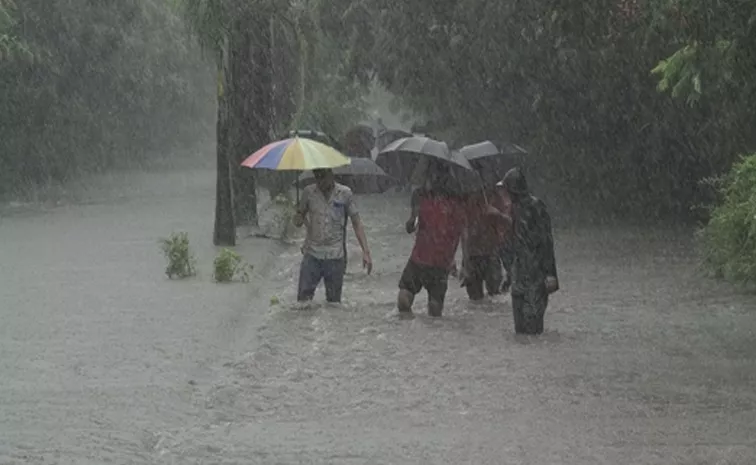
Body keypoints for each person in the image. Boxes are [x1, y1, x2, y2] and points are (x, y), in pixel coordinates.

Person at [398, 160, 466, 317]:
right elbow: (411, 223)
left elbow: (461, 231)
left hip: (441, 263)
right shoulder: (420, 195)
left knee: (435, 313)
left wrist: (462, 261)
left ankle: (431, 339)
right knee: (403, 301)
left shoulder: (455, 200)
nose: (434, 178)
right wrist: (411, 221)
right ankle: (409, 334)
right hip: (419, 258)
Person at [293, 168, 372, 303]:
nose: (320, 181)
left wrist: (366, 252)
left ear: (331, 174)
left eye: (322, 176)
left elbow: (356, 223)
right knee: (302, 302)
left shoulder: (345, 194)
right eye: (316, 177)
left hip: (335, 256)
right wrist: (298, 216)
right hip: (312, 254)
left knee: (334, 304)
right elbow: (298, 221)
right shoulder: (308, 192)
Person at [501, 168, 559, 334]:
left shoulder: (536, 207)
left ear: (513, 190)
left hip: (536, 278)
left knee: (533, 329)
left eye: (506, 190)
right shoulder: (513, 210)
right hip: (518, 278)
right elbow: (511, 244)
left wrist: (550, 273)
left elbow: (546, 241)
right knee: (520, 332)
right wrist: (509, 275)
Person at [459, 188, 511, 300]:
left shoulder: (496, 200)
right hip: (473, 256)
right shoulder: (466, 204)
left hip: (491, 254)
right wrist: (465, 264)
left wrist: (498, 215)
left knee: (495, 296)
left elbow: (510, 224)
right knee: (475, 299)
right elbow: (463, 235)